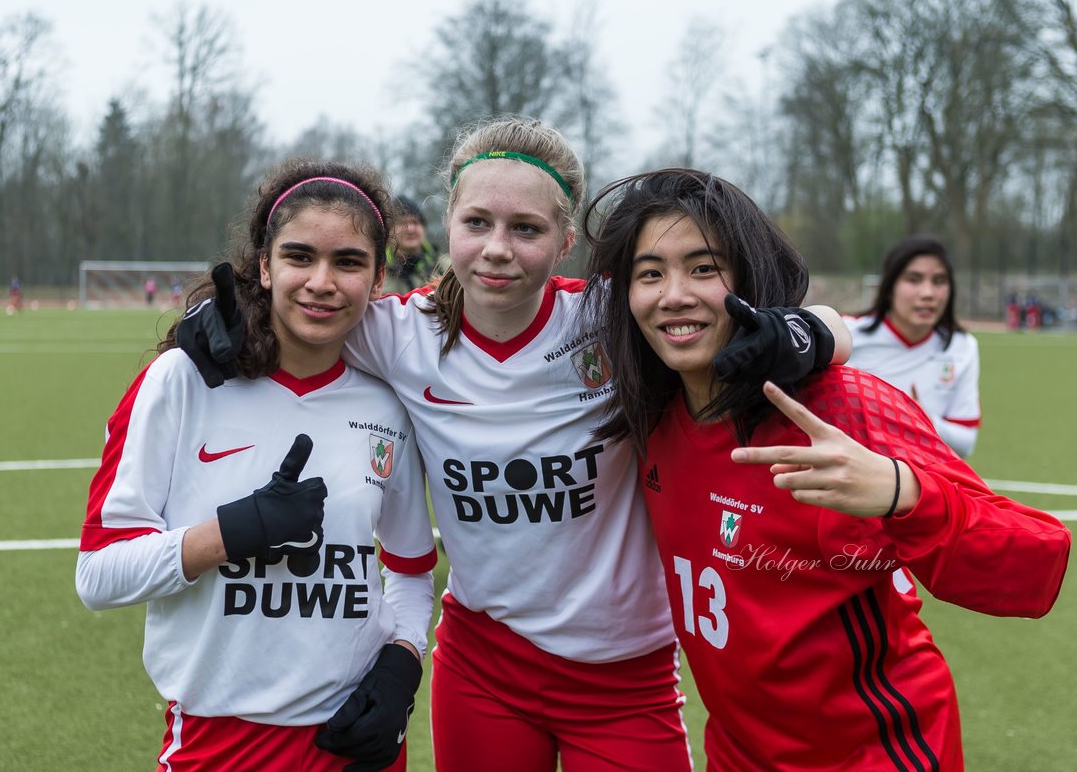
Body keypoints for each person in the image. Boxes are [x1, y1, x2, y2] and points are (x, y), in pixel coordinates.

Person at [175, 117, 848, 772]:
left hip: (625, 679)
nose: (498, 248)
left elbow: (838, 330)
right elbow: (295, 311)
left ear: (562, 243)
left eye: (526, 228)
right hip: (483, 668)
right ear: (449, 224)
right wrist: (209, 321)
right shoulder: (393, 334)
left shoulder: (613, 321)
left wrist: (807, 334)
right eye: (478, 223)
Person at [580, 168, 1072, 772]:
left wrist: (901, 492)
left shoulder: (840, 406)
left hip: (872, 755)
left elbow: (1034, 562)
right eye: (649, 273)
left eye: (704, 268)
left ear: (748, 276)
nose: (674, 294)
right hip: (737, 755)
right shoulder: (649, 413)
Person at [75, 160, 438, 771]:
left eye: (348, 262)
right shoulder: (180, 381)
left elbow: (408, 569)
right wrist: (231, 533)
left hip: (355, 743)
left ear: (379, 278)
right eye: (299, 256)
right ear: (265, 266)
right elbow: (99, 574)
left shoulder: (388, 401)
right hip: (219, 745)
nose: (321, 281)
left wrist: (404, 659)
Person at [846, 237, 980, 457]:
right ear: (890, 287)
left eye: (939, 281)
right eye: (913, 279)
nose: (928, 293)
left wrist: (922, 420)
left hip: (924, 480)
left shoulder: (962, 347)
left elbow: (965, 443)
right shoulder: (847, 335)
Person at [382, 194, 449, 294]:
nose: (410, 229)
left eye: (415, 222)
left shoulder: (446, 267)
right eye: (402, 223)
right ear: (390, 229)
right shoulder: (378, 270)